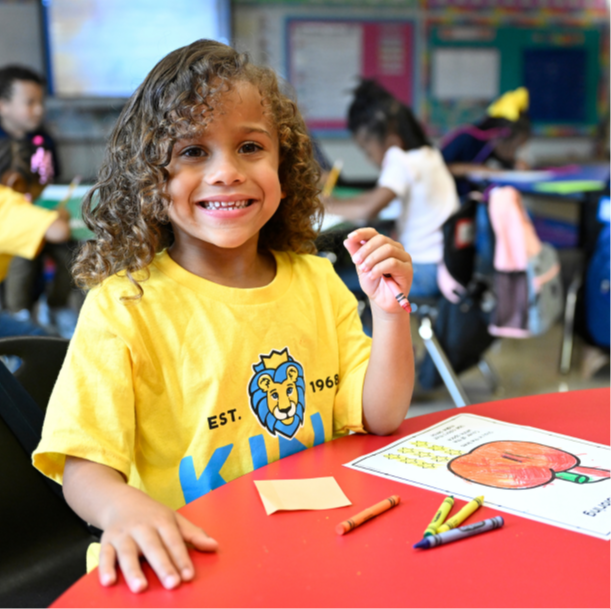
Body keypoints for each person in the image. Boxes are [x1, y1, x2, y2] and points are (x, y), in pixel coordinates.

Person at [32, 40, 414, 594]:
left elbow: (380, 415)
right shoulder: (124, 306)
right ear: (149, 178)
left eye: (251, 147)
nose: (226, 173)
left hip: (314, 552)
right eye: (192, 152)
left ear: (284, 164)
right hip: (187, 564)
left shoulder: (317, 282)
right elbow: (82, 466)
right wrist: (123, 511)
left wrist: (390, 312)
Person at [325, 79, 459, 298]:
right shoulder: (429, 155)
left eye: (367, 151)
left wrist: (328, 205)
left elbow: (367, 209)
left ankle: (367, 332)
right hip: (443, 265)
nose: (370, 159)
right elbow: (376, 198)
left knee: (333, 280)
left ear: (391, 140)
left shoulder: (399, 159)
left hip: (421, 270)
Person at [0, 64, 77, 338]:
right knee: (25, 256)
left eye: (40, 102)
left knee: (70, 252)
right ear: (3, 105)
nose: (38, 109)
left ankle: (57, 307)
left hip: (44, 213)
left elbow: (51, 178)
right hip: (13, 223)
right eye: (29, 103)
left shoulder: (44, 140)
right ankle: (17, 315)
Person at [0, 180, 70, 337]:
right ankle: (22, 314)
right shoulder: (5, 203)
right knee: (36, 338)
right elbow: (59, 231)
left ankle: (23, 313)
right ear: (13, 180)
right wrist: (61, 216)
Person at [440, 87, 531, 198]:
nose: (516, 151)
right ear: (502, 136)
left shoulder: (491, 146)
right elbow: (442, 167)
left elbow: (505, 160)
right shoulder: (466, 136)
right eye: (516, 146)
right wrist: (479, 170)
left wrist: (516, 164)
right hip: (448, 200)